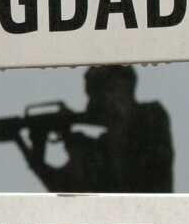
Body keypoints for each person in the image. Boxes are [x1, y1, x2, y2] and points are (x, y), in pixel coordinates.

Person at [15, 66, 174, 193]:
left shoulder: (152, 116)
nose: (90, 105)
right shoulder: (97, 149)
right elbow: (64, 187)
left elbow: (136, 172)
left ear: (120, 90)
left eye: (97, 94)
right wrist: (29, 146)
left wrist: (73, 142)